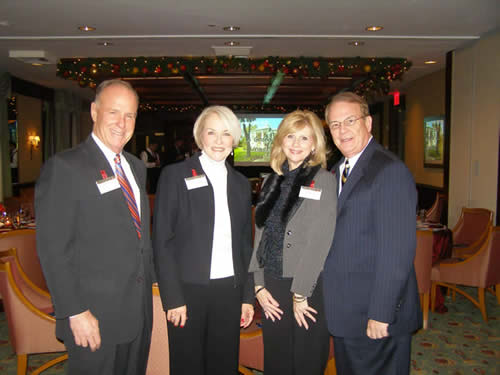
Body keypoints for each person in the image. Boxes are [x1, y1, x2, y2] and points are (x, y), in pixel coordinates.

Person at [35, 79, 154, 375]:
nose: (122, 122)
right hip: (93, 315)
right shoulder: (66, 167)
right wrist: (74, 311)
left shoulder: (135, 168)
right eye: (114, 112)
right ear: (94, 111)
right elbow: (53, 250)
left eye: (130, 115)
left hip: (137, 311)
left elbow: (137, 238)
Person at [322, 92, 421, 375]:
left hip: (374, 313)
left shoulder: (388, 171)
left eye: (349, 120)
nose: (342, 130)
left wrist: (381, 312)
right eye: (335, 124)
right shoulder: (337, 170)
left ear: (368, 122)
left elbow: (397, 251)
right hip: (347, 310)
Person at [153, 105, 254, 375]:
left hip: (229, 291)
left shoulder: (241, 184)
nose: (219, 141)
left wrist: (247, 296)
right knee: (188, 365)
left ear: (234, 139)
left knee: (223, 364)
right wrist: (172, 298)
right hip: (187, 291)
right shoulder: (175, 176)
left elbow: (246, 245)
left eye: (225, 134)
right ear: (200, 137)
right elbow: (162, 240)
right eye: (211, 132)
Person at [248, 110, 337, 375]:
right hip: (272, 283)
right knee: (277, 359)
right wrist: (259, 285)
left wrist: (300, 294)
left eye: (304, 138)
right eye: (290, 136)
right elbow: (260, 235)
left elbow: (320, 240)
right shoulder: (271, 181)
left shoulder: (324, 180)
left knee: (306, 361)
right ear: (281, 141)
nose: (296, 144)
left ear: (314, 145)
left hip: (306, 285)